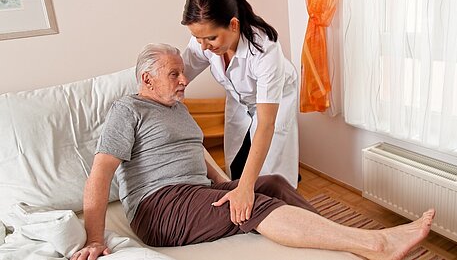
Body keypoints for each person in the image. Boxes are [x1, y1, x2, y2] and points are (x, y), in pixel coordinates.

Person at [71, 43, 435, 260]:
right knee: (250, 207)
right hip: (160, 208)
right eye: (174, 74)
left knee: (271, 183)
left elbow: (198, 154)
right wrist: (96, 238)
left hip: (194, 193)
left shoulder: (178, 109)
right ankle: (376, 243)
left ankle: (340, 241)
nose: (184, 80)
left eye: (183, 72)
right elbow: (101, 173)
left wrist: (231, 185)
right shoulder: (128, 109)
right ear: (146, 79)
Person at [181, 0, 301, 225]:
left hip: (275, 102)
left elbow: (266, 123)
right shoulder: (205, 40)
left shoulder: (265, 51)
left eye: (211, 38)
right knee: (236, 166)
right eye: (197, 38)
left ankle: (287, 211)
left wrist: (246, 189)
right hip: (240, 100)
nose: (203, 46)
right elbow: (179, 76)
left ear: (233, 25)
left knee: (269, 173)